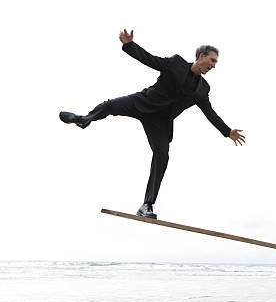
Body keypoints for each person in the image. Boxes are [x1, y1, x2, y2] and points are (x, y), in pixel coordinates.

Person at [59, 29, 245, 219]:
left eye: (216, 63)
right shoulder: (176, 63)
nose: (213, 66)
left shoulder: (202, 89)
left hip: (161, 122)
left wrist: (227, 131)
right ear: (200, 56)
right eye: (212, 60)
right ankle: (84, 120)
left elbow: (209, 112)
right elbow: (151, 60)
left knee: (162, 156)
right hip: (144, 102)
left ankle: (147, 205)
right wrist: (129, 45)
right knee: (110, 105)